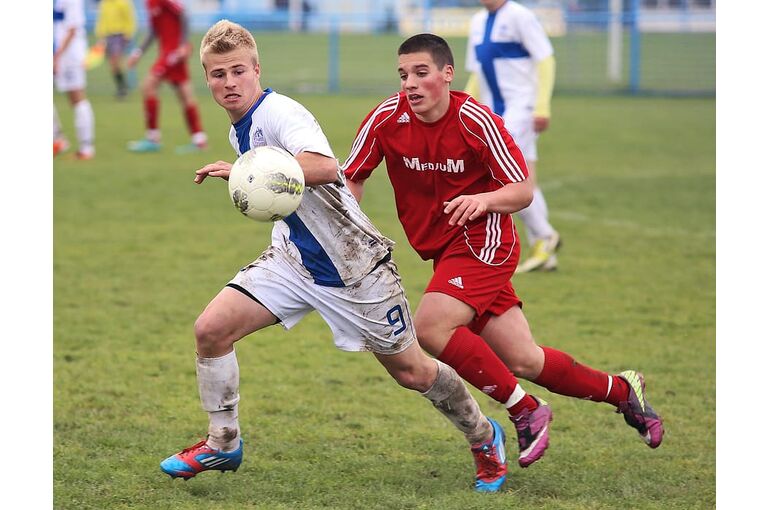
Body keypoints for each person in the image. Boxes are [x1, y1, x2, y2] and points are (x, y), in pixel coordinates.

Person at [158, 20, 512, 493]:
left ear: (256, 69)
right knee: (211, 329)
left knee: (413, 371)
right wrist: (249, 171)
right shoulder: (239, 129)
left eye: (238, 71)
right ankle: (222, 442)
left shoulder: (282, 113)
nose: (229, 83)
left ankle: (484, 434)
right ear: (207, 79)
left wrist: (252, 169)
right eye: (218, 75)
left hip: (355, 269)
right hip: (294, 261)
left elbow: (327, 167)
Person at [342, 34, 664, 462]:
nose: (410, 84)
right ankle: (623, 392)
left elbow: (523, 189)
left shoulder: (475, 120)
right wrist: (349, 230)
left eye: (421, 73)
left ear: (447, 74)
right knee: (525, 360)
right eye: (403, 75)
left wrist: (484, 200)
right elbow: (352, 175)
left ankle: (525, 410)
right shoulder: (387, 118)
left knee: (432, 328)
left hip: (485, 241)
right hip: (444, 250)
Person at [465, 0, 560, 272]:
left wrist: (541, 105)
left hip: (522, 110)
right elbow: (478, 73)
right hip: (496, 114)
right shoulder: (477, 22)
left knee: (501, 176)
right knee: (524, 178)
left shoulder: (521, 16)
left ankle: (545, 235)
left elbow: (545, 60)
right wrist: (465, 105)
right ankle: (545, 250)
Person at [126, 0, 207, 153]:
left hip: (174, 52)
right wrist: (138, 53)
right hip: (168, 52)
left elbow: (184, 14)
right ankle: (199, 140)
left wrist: (183, 44)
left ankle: (153, 138)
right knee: (184, 93)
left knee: (149, 85)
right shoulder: (149, 3)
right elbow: (153, 31)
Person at [53, 0, 95, 160]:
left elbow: (72, 29)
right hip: (62, 53)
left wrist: (57, 55)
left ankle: (86, 148)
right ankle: (57, 140)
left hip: (70, 54)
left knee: (77, 97)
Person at [94, 0, 138, 98]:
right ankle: (122, 85)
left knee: (115, 60)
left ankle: (122, 88)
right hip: (107, 36)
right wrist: (100, 35)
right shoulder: (104, 3)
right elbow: (101, 21)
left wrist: (128, 33)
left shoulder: (123, 2)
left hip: (119, 35)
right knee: (112, 65)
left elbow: (130, 19)